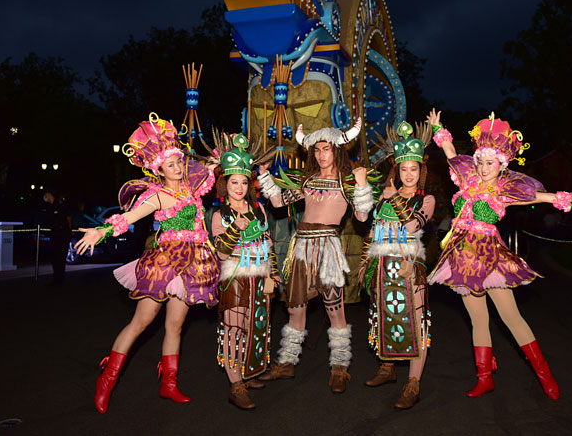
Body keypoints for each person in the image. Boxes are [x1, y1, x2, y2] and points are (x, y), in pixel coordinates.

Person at [426, 109, 572, 400]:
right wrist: (438, 128)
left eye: (490, 163)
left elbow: (544, 197)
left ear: (501, 164)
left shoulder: (506, 190)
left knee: (511, 317)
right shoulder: (466, 178)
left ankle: (545, 375)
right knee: (478, 320)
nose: (484, 167)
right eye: (480, 161)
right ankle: (484, 378)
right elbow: (449, 151)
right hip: (462, 259)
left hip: (490, 258)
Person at [74, 113, 220, 414]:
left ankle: (169, 384)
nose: (178, 168)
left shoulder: (192, 187)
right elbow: (127, 218)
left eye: (179, 162)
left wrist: (226, 154)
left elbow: (212, 165)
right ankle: (107, 380)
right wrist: (101, 232)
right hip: (164, 265)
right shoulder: (157, 196)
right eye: (171, 165)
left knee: (175, 326)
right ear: (159, 169)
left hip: (191, 265)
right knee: (141, 322)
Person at [256, 118, 375, 393]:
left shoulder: (346, 183)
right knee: (295, 308)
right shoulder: (308, 181)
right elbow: (277, 202)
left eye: (326, 149)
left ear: (337, 150)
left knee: (335, 309)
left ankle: (339, 367)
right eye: (317, 150)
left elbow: (361, 216)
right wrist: (264, 176)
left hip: (328, 252)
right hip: (302, 250)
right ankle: (287, 362)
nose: (321, 155)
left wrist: (361, 185)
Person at [358, 121, 435, 409]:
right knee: (385, 316)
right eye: (404, 169)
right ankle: (387, 367)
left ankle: (413, 383)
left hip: (410, 265)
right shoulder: (384, 199)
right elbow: (367, 226)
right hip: (382, 265)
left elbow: (413, 226)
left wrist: (394, 200)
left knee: (416, 322)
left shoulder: (426, 200)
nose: (409, 174)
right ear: (397, 171)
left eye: (413, 169)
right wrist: (364, 188)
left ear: (420, 171)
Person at [209, 133, 278, 410]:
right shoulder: (219, 215)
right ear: (225, 184)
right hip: (235, 279)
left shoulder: (259, 209)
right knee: (233, 331)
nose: (239, 187)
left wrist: (273, 275)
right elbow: (221, 254)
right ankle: (236, 386)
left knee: (255, 328)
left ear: (250, 184)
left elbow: (268, 244)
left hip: (260, 277)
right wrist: (234, 229)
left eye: (244, 182)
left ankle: (247, 373)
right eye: (234, 182)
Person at [39, 189, 71, 286]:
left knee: (61, 257)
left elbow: (68, 218)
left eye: (46, 195)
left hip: (63, 234)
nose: (45, 197)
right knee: (55, 257)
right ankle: (56, 278)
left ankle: (60, 278)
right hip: (54, 234)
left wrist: (69, 231)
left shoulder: (60, 204)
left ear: (49, 195)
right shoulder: (49, 207)